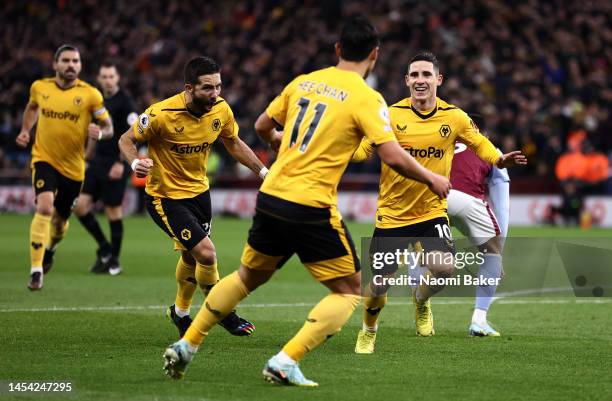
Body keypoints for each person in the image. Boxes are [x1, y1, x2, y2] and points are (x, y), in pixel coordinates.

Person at [162, 16, 451, 386]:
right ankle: (286, 361)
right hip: (310, 204)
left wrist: (286, 147)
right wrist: (432, 177)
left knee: (248, 276)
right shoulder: (367, 98)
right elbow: (392, 156)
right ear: (375, 55)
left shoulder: (304, 82)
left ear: (337, 50)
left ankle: (187, 344)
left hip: (271, 195)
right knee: (349, 291)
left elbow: (264, 126)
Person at [351, 51, 526, 354]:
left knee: (445, 271)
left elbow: (480, 143)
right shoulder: (389, 115)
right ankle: (369, 329)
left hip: (432, 211)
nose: (420, 80)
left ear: (438, 79)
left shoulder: (454, 117)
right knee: (379, 285)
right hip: (392, 215)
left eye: (426, 75)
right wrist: (338, 148)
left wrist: (499, 159)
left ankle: (420, 299)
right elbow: (363, 151)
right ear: (407, 81)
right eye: (415, 75)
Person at [118, 56, 266, 340]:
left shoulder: (221, 110)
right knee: (206, 253)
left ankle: (180, 312)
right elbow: (126, 139)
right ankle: (223, 312)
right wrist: (135, 163)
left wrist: (262, 171)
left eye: (219, 87)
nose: (215, 94)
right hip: (166, 198)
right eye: (208, 88)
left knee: (190, 254)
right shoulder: (161, 114)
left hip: (200, 194)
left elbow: (233, 142)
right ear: (189, 87)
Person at [15, 44, 113, 291]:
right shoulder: (40, 87)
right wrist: (26, 130)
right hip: (44, 159)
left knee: (59, 222)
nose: (71, 65)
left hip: (73, 168)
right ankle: (36, 270)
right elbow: (32, 108)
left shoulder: (91, 94)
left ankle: (51, 248)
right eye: (66, 60)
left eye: (75, 61)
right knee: (44, 208)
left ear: (80, 66)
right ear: (55, 65)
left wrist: (99, 133)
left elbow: (109, 127)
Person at [73, 62, 138, 275]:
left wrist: (122, 162)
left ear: (117, 78)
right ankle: (104, 248)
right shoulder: (97, 101)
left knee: (113, 210)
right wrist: (87, 157)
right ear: (100, 79)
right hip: (97, 161)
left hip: (115, 162)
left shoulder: (125, 102)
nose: (108, 80)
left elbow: (135, 132)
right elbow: (94, 132)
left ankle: (114, 261)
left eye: (111, 76)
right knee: (80, 206)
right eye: (104, 76)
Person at [448, 139, 510, 336]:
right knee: (492, 252)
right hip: (467, 200)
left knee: (422, 246)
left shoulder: (437, 137)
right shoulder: (489, 147)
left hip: (432, 196)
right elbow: (502, 206)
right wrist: (498, 253)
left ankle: (421, 310)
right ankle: (479, 321)